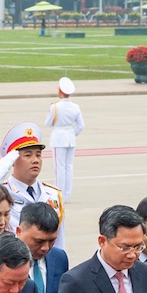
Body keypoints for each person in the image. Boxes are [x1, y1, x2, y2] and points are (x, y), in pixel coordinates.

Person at [0, 122, 65, 251]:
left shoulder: (53, 194)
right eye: (28, 155)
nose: (35, 160)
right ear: (13, 160)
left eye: (38, 155)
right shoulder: (1, 195)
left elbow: (59, 241)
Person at [43, 77, 84, 212]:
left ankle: (59, 194)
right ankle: (67, 193)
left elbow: (48, 123)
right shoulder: (75, 107)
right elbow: (80, 125)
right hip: (70, 137)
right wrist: (72, 133)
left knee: (59, 167)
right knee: (68, 166)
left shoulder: (55, 107)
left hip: (59, 137)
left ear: (60, 91)